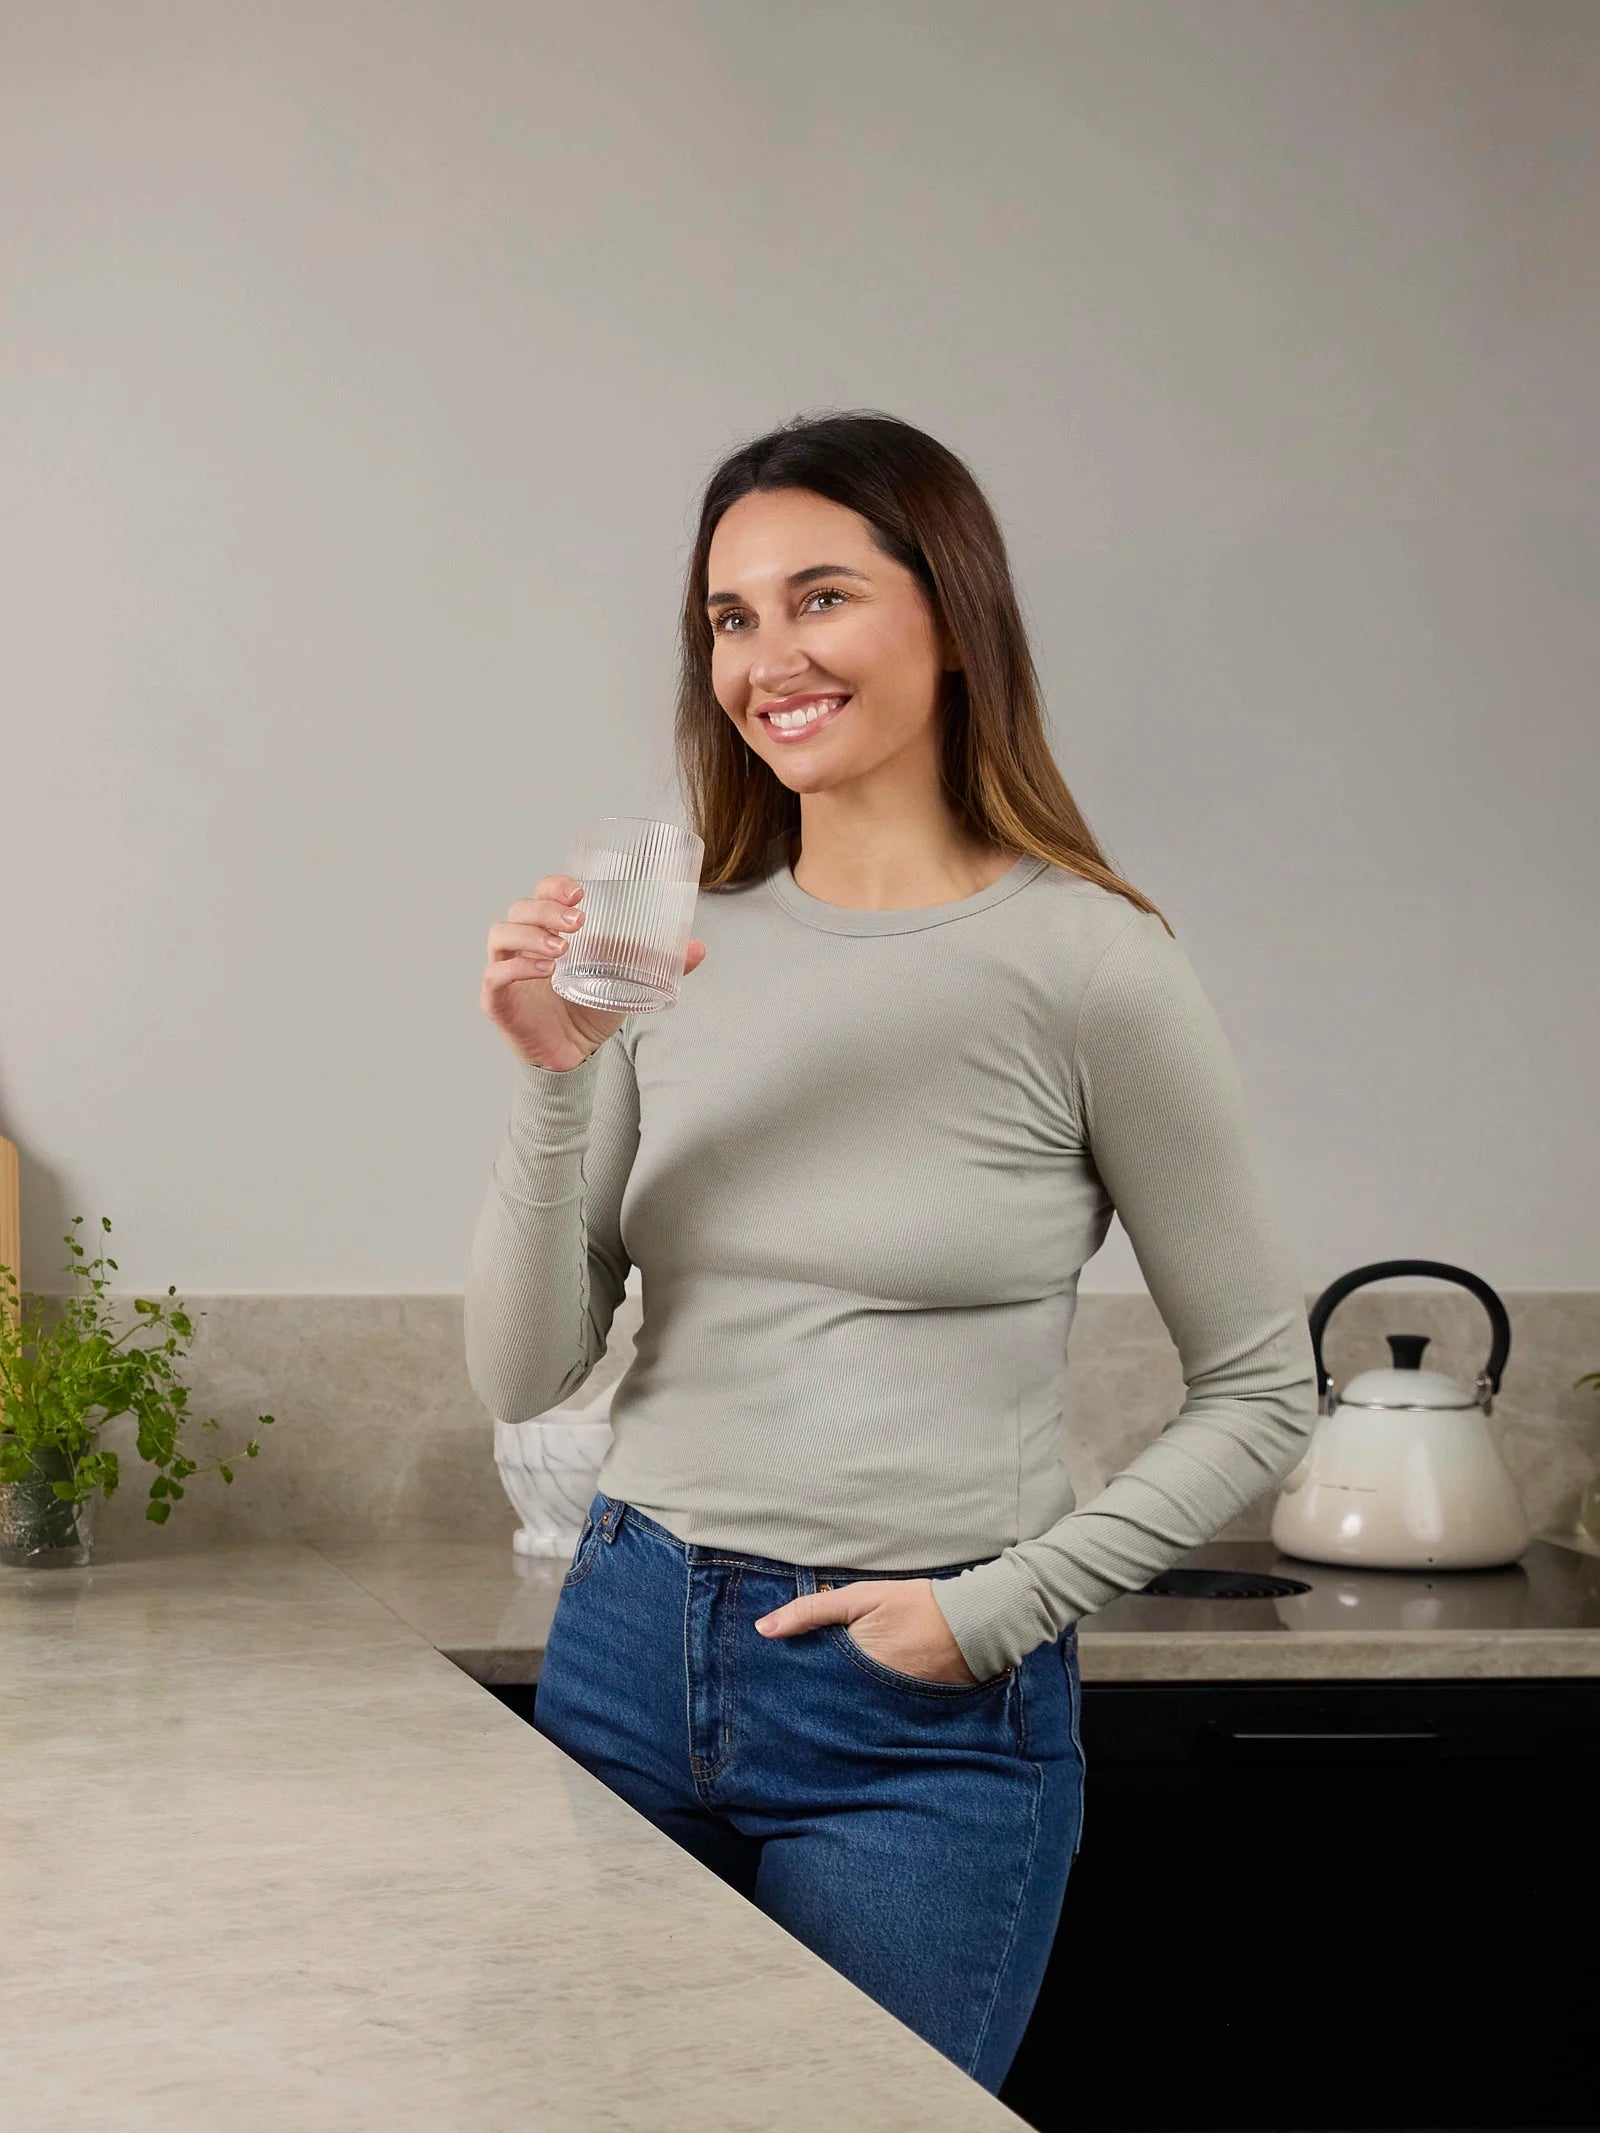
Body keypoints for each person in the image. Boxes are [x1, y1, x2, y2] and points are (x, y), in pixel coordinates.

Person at [466, 409, 1317, 2095]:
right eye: (731, 616)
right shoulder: (672, 935)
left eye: (822, 597)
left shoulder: (1089, 960)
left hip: (912, 1719)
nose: (769, 656)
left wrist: (999, 1610)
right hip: (630, 1648)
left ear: (951, 613)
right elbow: (521, 1369)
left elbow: (1262, 1387)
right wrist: (554, 1077)